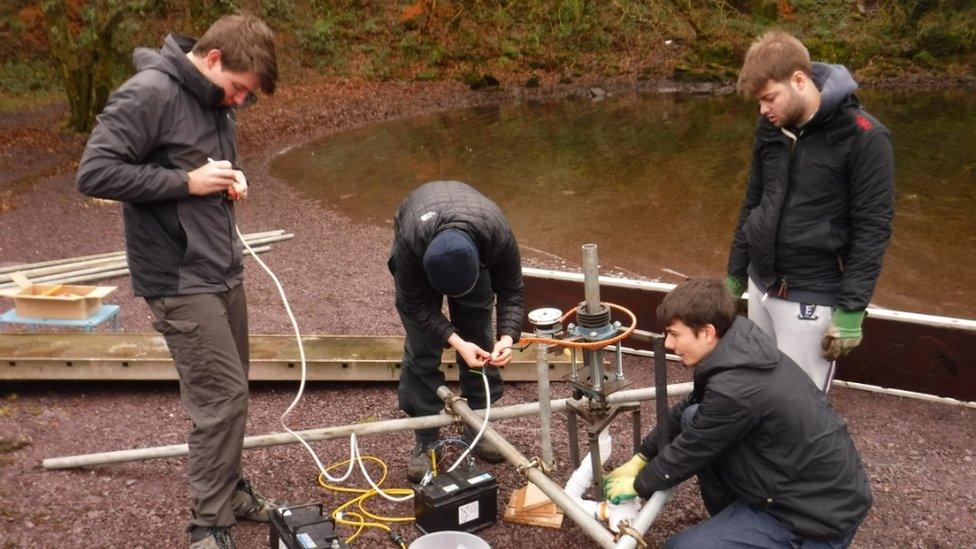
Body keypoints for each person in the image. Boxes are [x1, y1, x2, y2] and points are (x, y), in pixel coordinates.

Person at [76, 13, 280, 549]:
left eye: (246, 97)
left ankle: (231, 491)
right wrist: (185, 182)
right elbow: (94, 173)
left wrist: (232, 179)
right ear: (213, 59)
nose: (238, 102)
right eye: (237, 90)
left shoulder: (213, 100)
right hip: (177, 275)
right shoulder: (148, 94)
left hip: (220, 266)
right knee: (222, 398)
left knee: (233, 391)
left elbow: (206, 167)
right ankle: (209, 526)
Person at [604, 277, 872, 547]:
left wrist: (639, 485)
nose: (668, 345)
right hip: (797, 483)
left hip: (813, 516)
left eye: (674, 334)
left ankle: (751, 533)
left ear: (707, 333)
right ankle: (733, 522)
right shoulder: (737, 346)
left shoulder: (736, 389)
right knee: (691, 416)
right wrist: (643, 455)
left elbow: (693, 448)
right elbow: (689, 409)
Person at [725, 31, 895, 391]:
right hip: (761, 284)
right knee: (756, 389)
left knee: (798, 404)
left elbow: (872, 228)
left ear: (799, 80)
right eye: (758, 101)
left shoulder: (865, 137)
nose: (762, 109)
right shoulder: (770, 128)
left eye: (769, 98)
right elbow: (754, 201)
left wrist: (851, 310)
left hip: (812, 295)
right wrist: (735, 276)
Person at [389, 180, 525, 483]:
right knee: (422, 347)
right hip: (420, 231)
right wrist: (454, 340)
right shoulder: (410, 247)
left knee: (478, 333)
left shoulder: (497, 235)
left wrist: (507, 337)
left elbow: (512, 291)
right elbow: (416, 306)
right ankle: (426, 438)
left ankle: (477, 419)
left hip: (472, 236)